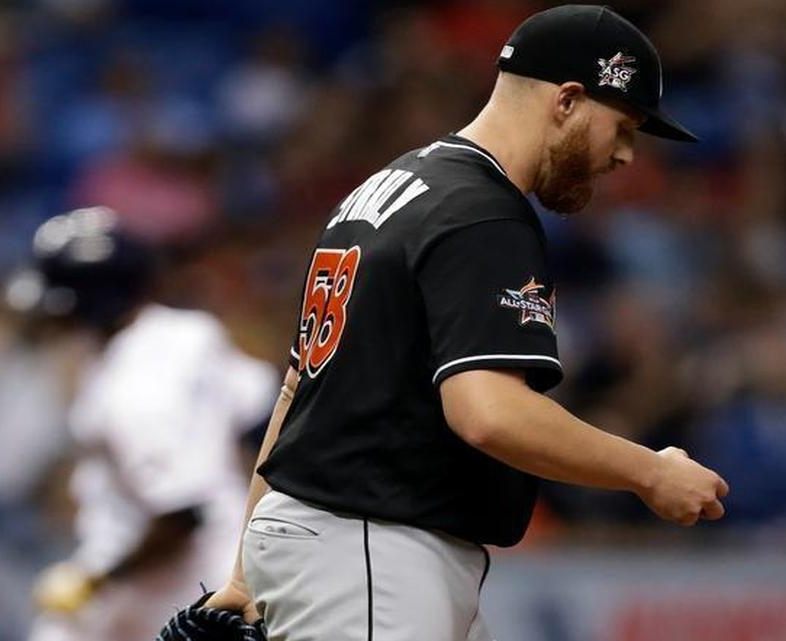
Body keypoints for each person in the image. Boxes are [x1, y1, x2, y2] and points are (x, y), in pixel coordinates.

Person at [204, 6, 729, 641]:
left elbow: (297, 390)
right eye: (622, 127)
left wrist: (242, 571)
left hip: (336, 541)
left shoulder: (390, 187)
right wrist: (649, 471)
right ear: (567, 100)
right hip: (372, 549)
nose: (624, 155)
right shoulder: (483, 213)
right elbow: (489, 412)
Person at [20, 207, 278, 641]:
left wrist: (95, 580)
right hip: (228, 558)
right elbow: (264, 416)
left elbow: (180, 515)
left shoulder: (135, 392)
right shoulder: (189, 332)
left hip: (167, 580)